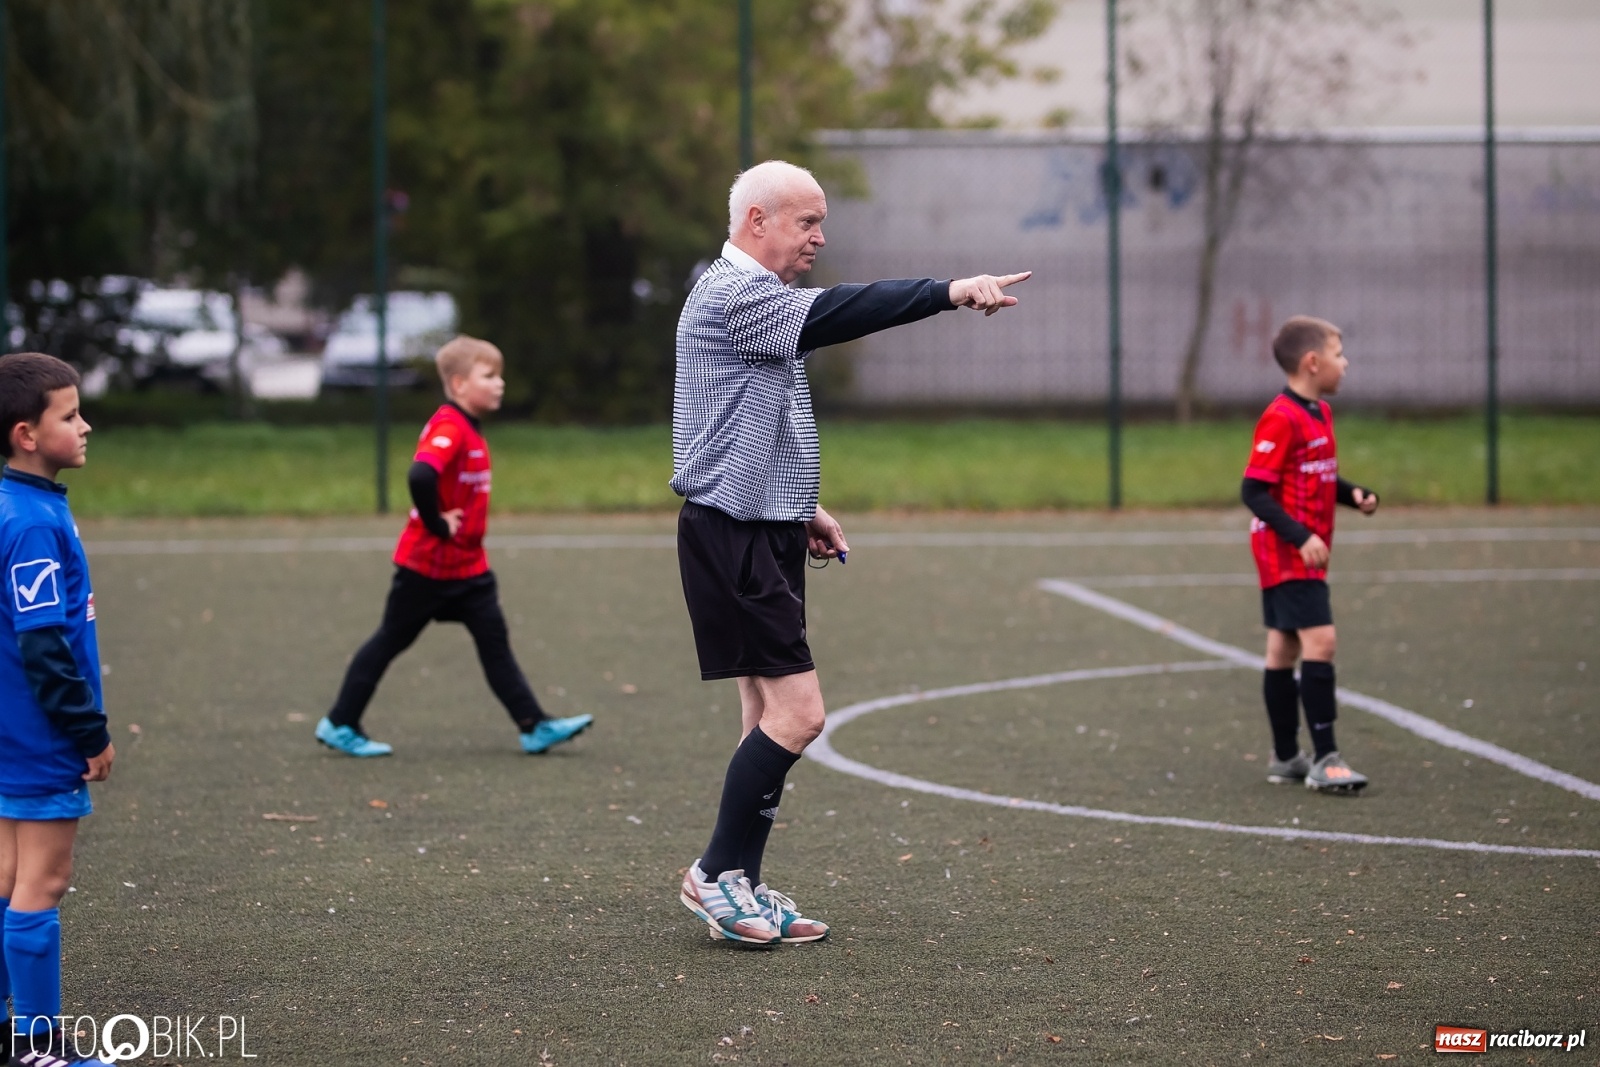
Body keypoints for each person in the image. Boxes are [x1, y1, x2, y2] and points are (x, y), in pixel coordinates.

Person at [672, 159, 1029, 946]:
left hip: (759, 520)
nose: (820, 237)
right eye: (807, 222)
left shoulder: (751, 296)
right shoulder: (736, 295)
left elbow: (750, 412)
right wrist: (949, 289)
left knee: (764, 713)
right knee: (801, 715)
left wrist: (803, 506)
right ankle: (713, 874)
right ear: (758, 220)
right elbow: (840, 311)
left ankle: (740, 880)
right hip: (731, 528)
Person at [316, 336, 592, 758]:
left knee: (494, 643)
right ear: (460, 385)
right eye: (489, 376)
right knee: (390, 640)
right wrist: (437, 523)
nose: (500, 384)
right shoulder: (450, 427)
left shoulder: (469, 428)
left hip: (468, 570)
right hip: (427, 567)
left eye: (500, 375)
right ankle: (340, 722)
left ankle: (534, 726)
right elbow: (421, 475)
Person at [0, 352, 117, 1065]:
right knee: (43, 881)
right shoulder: (33, 523)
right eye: (69, 415)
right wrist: (89, 731)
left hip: (9, 731)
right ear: (27, 434)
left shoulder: (18, 506)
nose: (85, 425)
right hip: (38, 736)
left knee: (9, 879)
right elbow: (44, 648)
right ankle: (39, 1044)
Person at [1241, 316, 1379, 795]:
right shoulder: (1282, 415)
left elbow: (1316, 475)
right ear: (1312, 362)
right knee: (1321, 642)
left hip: (1300, 548)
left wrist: (1353, 493)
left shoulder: (1319, 412)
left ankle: (1285, 757)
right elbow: (1255, 490)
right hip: (1287, 551)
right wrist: (1301, 538)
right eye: (1339, 354)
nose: (1346, 363)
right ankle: (1326, 758)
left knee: (1284, 647)